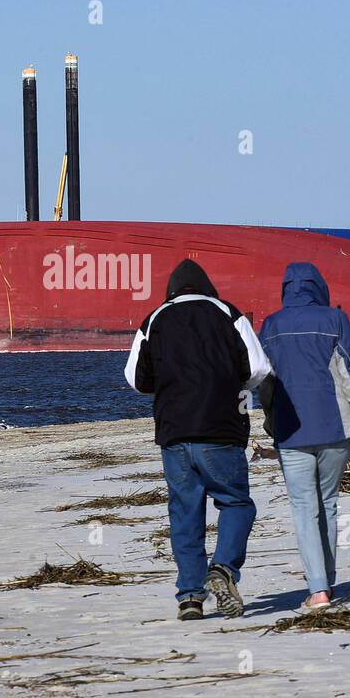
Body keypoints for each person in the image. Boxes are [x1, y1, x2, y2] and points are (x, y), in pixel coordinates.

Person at [124, 259, 271, 621]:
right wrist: (231, 383)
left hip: (174, 433)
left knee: (185, 513)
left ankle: (190, 596)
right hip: (221, 429)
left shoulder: (155, 318)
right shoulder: (227, 313)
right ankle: (222, 569)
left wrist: (170, 383)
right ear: (208, 287)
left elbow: (136, 379)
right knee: (236, 503)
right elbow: (258, 368)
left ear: (171, 290)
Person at [258, 263, 350, 614]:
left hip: (290, 431)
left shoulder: (271, 324)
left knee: (304, 509)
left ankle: (318, 589)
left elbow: (262, 379)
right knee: (329, 504)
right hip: (334, 428)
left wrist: (269, 419)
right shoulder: (335, 320)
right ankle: (327, 583)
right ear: (319, 286)